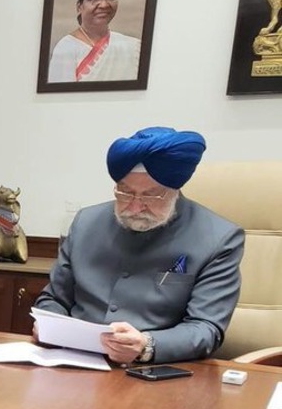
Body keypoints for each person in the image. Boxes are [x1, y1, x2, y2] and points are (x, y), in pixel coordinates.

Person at [34, 126, 244, 365]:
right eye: (125, 192)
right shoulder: (86, 222)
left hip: (155, 372)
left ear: (175, 189)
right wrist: (48, 324)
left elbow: (206, 328)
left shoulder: (219, 238)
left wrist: (146, 345)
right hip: (73, 362)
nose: (134, 207)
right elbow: (54, 299)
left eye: (151, 196)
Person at [47, 0, 141, 83]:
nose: (104, 5)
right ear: (79, 7)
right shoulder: (66, 48)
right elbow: (60, 97)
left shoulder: (133, 47)